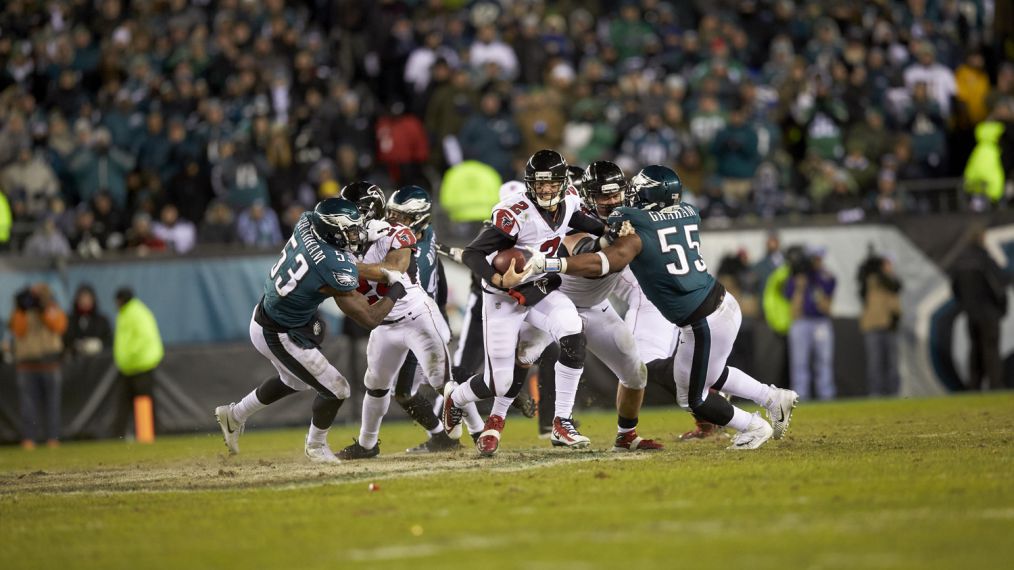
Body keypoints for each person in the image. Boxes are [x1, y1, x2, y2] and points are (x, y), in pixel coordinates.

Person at [526, 165, 799, 450]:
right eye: (598, 194)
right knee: (704, 373)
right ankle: (771, 398)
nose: (616, 200)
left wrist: (556, 260)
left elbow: (607, 261)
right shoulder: (687, 211)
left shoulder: (628, 218)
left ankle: (747, 425)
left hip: (688, 313)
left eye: (620, 192)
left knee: (682, 387)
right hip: (718, 303)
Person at [214, 198, 408, 464]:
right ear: (333, 231)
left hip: (271, 315)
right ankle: (316, 445)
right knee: (337, 389)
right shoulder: (332, 264)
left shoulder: (308, 221)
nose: (356, 236)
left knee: (294, 380)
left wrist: (356, 238)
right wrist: (395, 288)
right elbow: (369, 318)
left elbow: (338, 253)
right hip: (278, 332)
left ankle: (234, 416)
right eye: (350, 231)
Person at [492, 161, 664, 454]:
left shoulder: (626, 216)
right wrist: (608, 238)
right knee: (522, 357)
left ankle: (625, 435)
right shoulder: (571, 214)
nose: (610, 202)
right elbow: (583, 251)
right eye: (602, 196)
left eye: (614, 195)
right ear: (587, 196)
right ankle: (494, 422)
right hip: (556, 300)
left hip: (597, 307)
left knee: (635, 373)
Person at [442, 149, 604, 453]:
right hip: (503, 297)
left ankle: (561, 422)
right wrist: (498, 278)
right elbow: (472, 253)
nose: (545, 189)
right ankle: (457, 397)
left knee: (572, 330)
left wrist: (613, 229)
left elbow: (587, 223)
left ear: (562, 182)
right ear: (529, 183)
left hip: (540, 289)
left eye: (551, 183)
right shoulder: (515, 212)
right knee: (498, 384)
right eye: (539, 184)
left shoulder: (569, 201)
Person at [333, 183, 482, 460]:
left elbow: (393, 271)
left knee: (442, 382)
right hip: (385, 323)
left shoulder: (398, 233)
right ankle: (367, 445)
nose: (347, 220)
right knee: (376, 385)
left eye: (353, 213)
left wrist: (344, 265)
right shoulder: (342, 240)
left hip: (416, 318)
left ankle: (480, 433)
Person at [9, 283, 67, 449]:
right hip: (27, 365)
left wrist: (43, 308)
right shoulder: (20, 312)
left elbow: (58, 326)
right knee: (28, 406)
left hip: (50, 363)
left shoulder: (51, 308)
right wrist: (22, 308)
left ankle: (53, 438)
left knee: (52, 404)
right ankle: (29, 438)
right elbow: (18, 330)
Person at [950, 228, 1009, 391]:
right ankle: (995, 385)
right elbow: (999, 284)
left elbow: (955, 288)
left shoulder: (961, 261)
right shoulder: (984, 259)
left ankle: (974, 386)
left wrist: (964, 306)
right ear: (982, 238)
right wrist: (1002, 307)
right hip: (989, 311)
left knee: (975, 350)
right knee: (991, 349)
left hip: (971, 313)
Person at [784, 247, 837, 400]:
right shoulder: (796, 277)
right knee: (799, 362)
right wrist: (800, 285)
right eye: (815, 258)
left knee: (824, 361)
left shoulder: (824, 276)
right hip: (800, 322)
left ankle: (827, 395)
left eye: (819, 258)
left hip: (820, 321)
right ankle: (801, 396)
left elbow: (827, 303)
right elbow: (791, 302)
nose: (817, 262)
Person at [112, 288, 164, 439]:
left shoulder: (136, 313)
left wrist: (128, 355)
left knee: (144, 401)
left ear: (121, 299)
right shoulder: (128, 313)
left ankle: (150, 434)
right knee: (127, 402)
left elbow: (144, 338)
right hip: (130, 366)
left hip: (141, 364)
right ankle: (121, 435)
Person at [858, 251, 902, 396]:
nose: (888, 266)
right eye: (886, 263)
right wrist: (869, 268)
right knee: (875, 364)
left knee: (892, 363)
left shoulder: (892, 280)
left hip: (889, 325)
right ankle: (876, 393)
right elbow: (862, 289)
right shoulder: (871, 279)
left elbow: (895, 285)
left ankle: (893, 393)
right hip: (873, 326)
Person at [64, 284, 112, 358]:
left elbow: (109, 340)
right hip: (76, 361)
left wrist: (98, 344)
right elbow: (65, 340)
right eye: (82, 299)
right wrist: (77, 346)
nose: (85, 302)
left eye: (88, 299)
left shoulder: (102, 320)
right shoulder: (70, 320)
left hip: (98, 360)